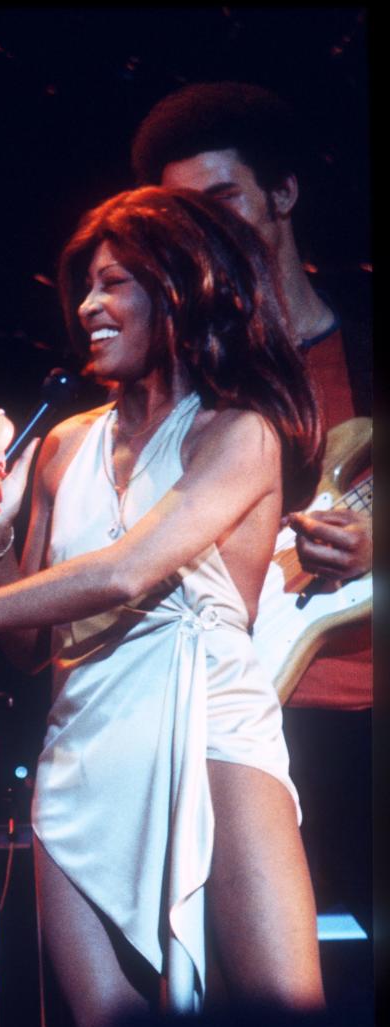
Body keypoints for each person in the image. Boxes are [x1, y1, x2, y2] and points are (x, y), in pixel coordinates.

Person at [0, 186, 326, 1027]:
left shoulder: (240, 432)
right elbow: (27, 643)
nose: (88, 307)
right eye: (86, 288)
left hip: (212, 739)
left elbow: (123, 572)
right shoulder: (62, 447)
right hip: (82, 751)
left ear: (182, 289)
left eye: (115, 283)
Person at [131, 82, 373, 933]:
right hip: (243, 730)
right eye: (181, 214)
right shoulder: (181, 371)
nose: (205, 228)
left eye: (222, 199)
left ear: (283, 192)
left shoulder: (368, 334)